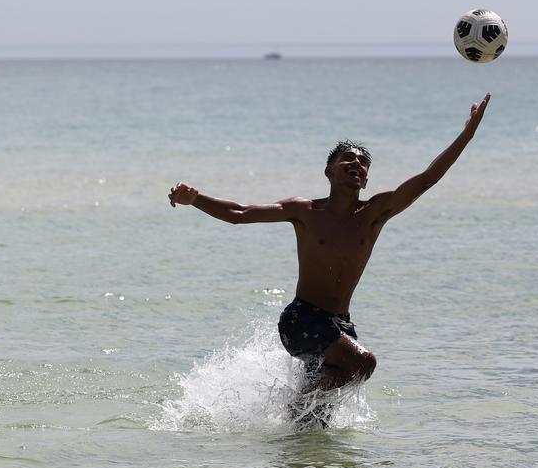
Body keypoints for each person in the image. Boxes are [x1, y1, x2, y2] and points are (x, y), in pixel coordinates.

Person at [168, 93, 491, 425]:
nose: (356, 163)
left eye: (363, 162)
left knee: (316, 422)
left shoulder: (375, 213)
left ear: (365, 179)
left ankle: (299, 461)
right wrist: (196, 199)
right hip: (301, 321)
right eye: (347, 158)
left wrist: (467, 133)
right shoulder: (304, 211)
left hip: (341, 324)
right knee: (363, 364)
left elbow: (428, 179)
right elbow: (239, 213)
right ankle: (294, 405)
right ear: (329, 170)